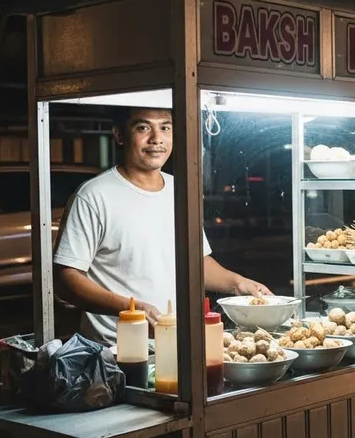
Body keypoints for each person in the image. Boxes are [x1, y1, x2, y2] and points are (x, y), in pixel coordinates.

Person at [54, 106, 271, 347]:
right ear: (119, 135)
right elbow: (66, 279)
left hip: (176, 347)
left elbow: (195, 261)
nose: (156, 139)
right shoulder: (94, 195)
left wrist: (238, 284)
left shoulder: (180, 190)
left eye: (165, 128)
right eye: (143, 127)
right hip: (116, 352)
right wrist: (131, 309)